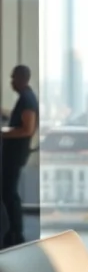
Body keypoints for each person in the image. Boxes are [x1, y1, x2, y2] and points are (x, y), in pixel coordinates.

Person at [1, 65, 39, 247]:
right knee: (9, 191)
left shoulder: (27, 99)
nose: (11, 82)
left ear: (21, 78)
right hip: (15, 154)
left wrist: (2, 133)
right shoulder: (26, 98)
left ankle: (15, 232)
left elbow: (27, 129)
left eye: (13, 78)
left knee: (9, 192)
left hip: (14, 155)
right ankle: (13, 231)